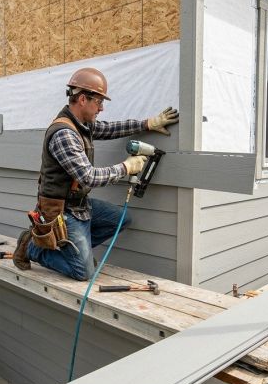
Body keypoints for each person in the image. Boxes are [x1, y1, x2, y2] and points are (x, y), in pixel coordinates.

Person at [12, 67, 178, 280]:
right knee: (84, 272)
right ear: (82, 99)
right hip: (61, 211)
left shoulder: (82, 126)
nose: (101, 109)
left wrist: (148, 123)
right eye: (99, 102)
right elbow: (88, 177)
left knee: (120, 219)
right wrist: (125, 168)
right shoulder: (65, 134)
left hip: (79, 205)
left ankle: (76, 253)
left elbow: (109, 129)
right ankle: (33, 248)